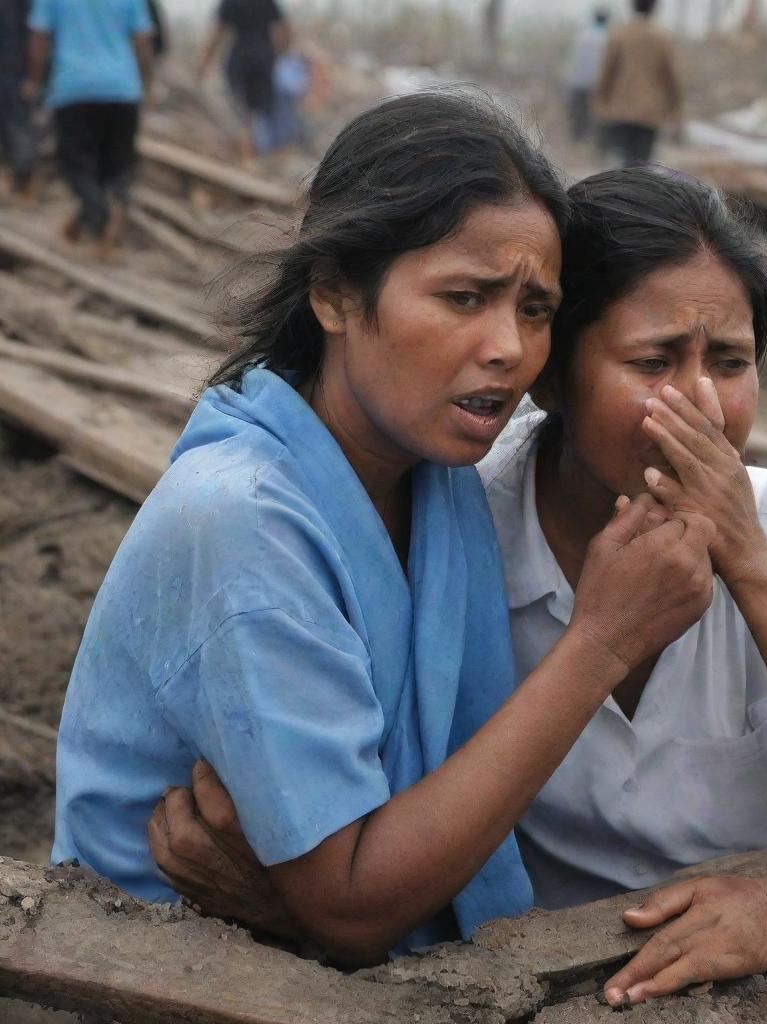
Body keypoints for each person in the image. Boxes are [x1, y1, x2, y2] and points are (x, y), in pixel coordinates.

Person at [147, 168, 767, 1004]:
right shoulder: (460, 528)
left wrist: (751, 566)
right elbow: (364, 845)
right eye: (653, 361)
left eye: (731, 362)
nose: (702, 405)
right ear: (552, 378)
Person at [52, 91, 719, 961]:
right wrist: (601, 642)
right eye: (464, 297)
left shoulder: (435, 481)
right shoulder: (242, 521)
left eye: (534, 309)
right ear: (333, 294)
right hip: (148, 979)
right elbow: (354, 903)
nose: (509, 349)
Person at [25, 0, 153, 260]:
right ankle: (104, 218)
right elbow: (143, 41)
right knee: (117, 167)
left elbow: (39, 38)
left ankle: (99, 222)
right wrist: (146, 84)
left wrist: (34, 81)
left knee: (76, 167)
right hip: (122, 89)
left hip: (74, 88)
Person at [591, 0, 684, 167]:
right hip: (650, 112)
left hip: (620, 108)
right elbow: (672, 78)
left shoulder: (619, 35)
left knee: (624, 160)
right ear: (654, 7)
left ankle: (624, 189)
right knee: (642, 162)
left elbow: (607, 73)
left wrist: (600, 103)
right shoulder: (661, 37)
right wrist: (676, 110)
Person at [199, 0, 290, 163]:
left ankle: (248, 155)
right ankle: (261, 156)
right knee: (262, 112)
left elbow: (217, 33)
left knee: (242, 112)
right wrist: (279, 54)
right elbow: (283, 31)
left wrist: (204, 64)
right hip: (263, 60)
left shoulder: (230, 3)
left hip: (239, 60)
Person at [0, 0, 37, 200]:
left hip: (14, 69)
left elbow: (34, 29)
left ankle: (22, 181)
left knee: (16, 128)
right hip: (14, 67)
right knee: (16, 128)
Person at [565, 8, 609, 144]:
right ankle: (591, 146)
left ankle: (577, 144)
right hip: (597, 85)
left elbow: (573, 61)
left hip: (579, 83)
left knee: (579, 116)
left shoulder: (582, 37)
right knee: (595, 119)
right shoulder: (608, 39)